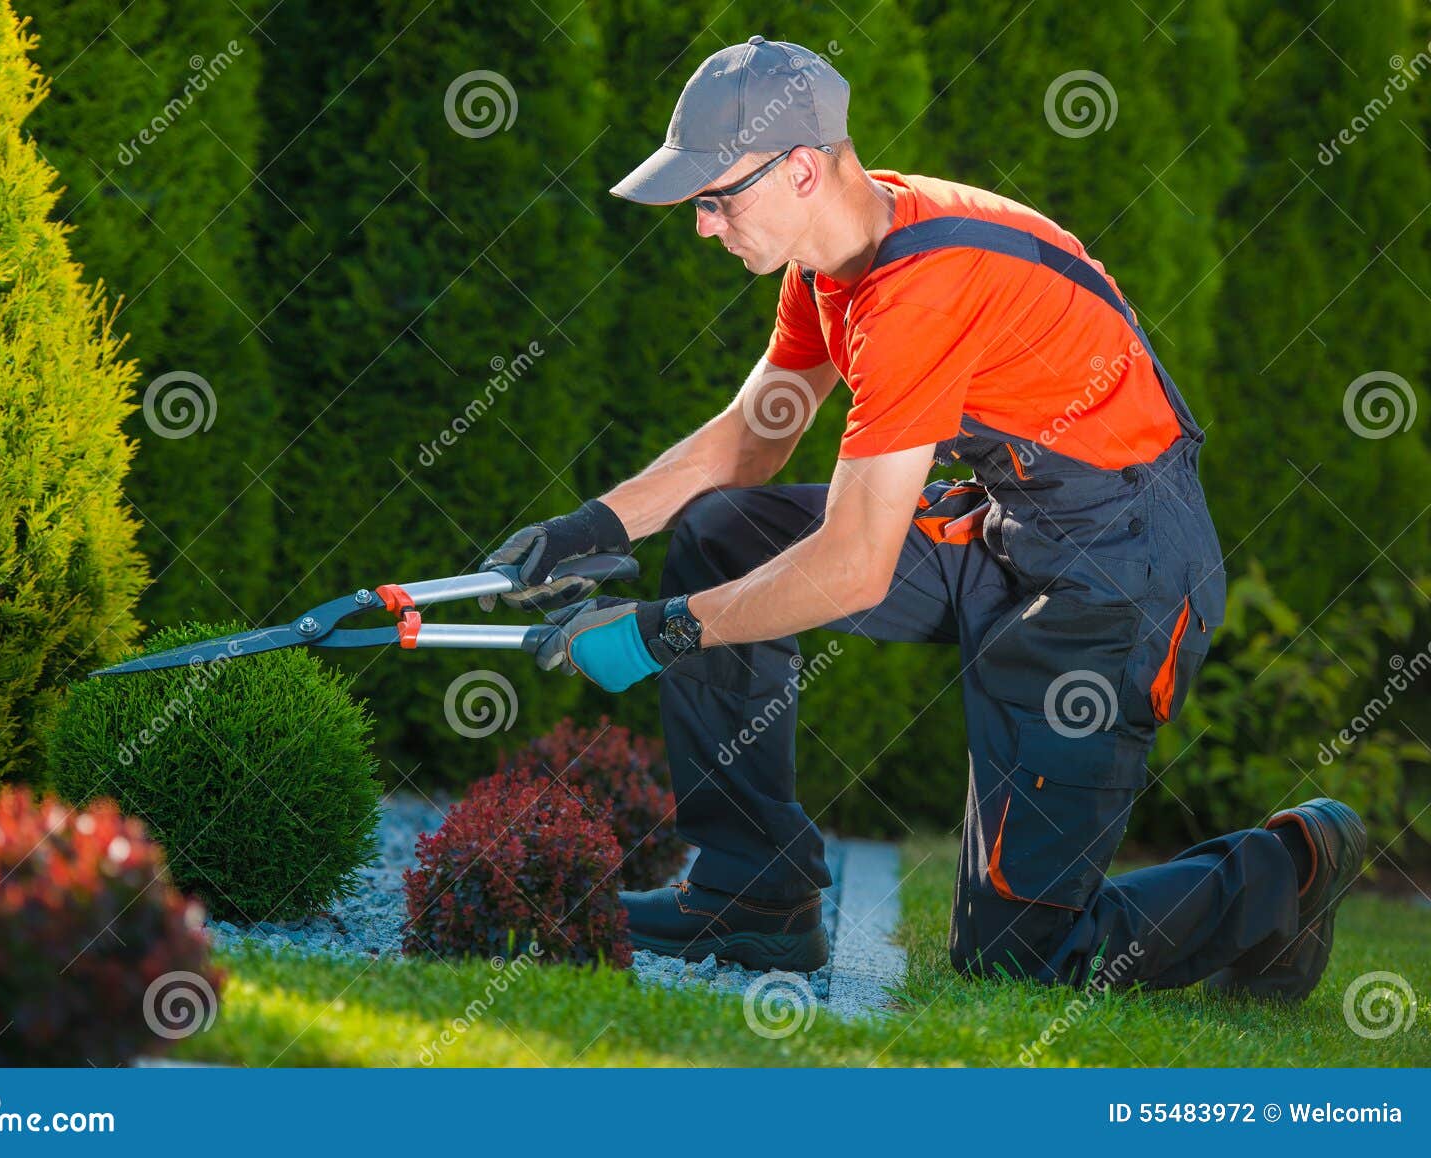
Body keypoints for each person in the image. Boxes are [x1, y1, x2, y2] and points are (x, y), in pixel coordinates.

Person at [484, 36, 1364, 998]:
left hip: (1121, 581)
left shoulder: (919, 289)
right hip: (1006, 534)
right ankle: (752, 895)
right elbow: (754, 437)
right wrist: (590, 530)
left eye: (716, 198)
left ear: (804, 169)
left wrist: (666, 630)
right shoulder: (834, 265)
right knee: (724, 529)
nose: (703, 227)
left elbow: (856, 565)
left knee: (1022, 958)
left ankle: (1292, 866)